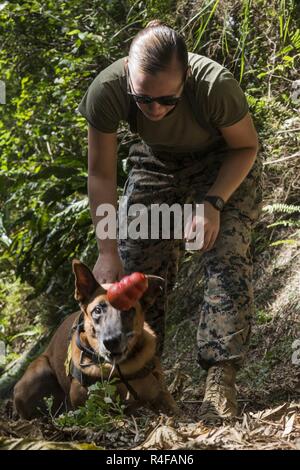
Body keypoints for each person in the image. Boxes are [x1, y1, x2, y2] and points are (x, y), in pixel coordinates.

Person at [78, 20, 263, 421]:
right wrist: (106, 250)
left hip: (221, 164)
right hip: (156, 164)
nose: (156, 109)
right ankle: (143, 376)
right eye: (144, 100)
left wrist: (212, 203)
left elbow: (247, 146)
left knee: (225, 255)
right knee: (133, 273)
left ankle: (220, 378)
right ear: (128, 73)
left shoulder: (215, 85)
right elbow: (102, 174)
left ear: (187, 79)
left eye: (168, 100)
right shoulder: (107, 92)